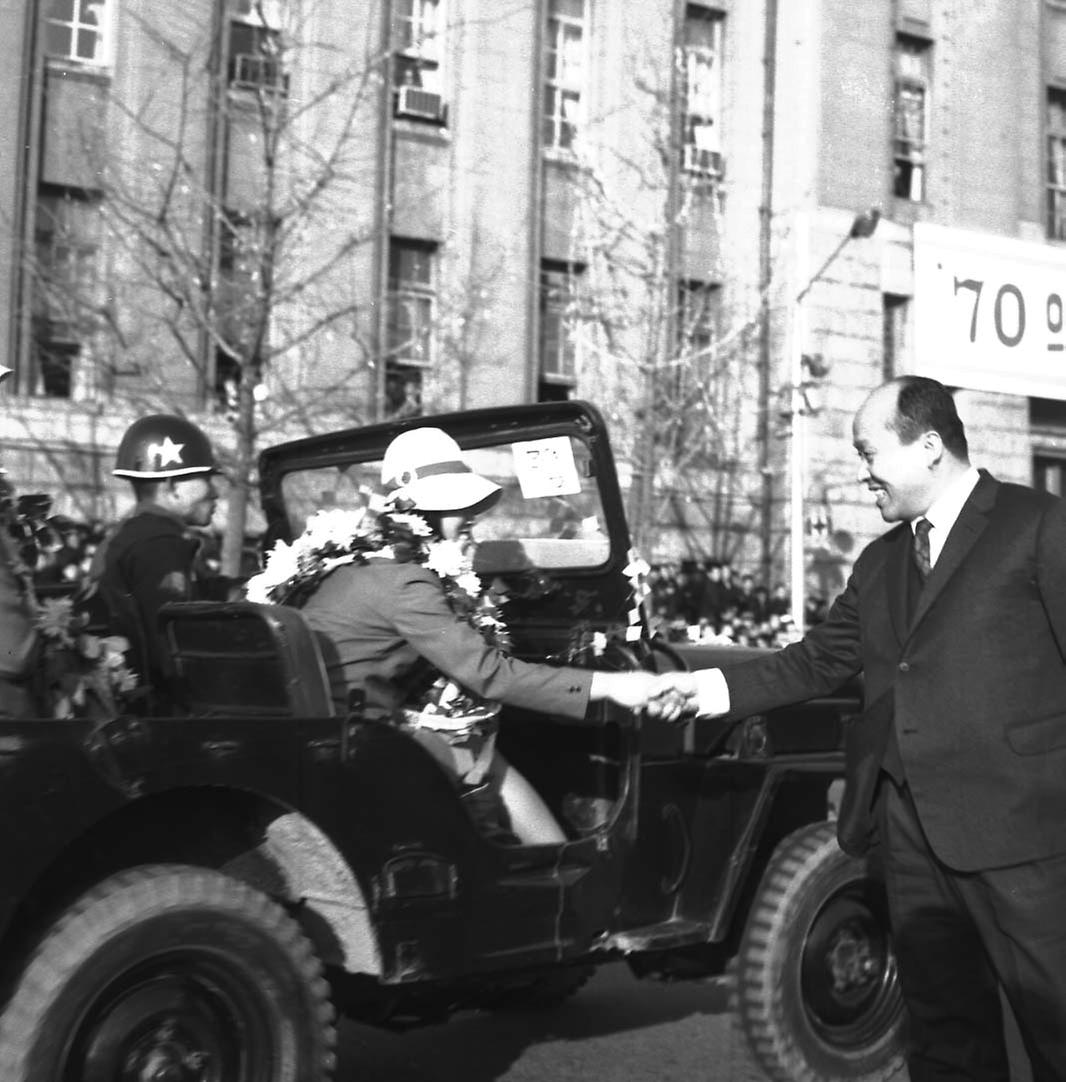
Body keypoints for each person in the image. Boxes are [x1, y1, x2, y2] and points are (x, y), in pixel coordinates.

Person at [667, 376, 1066, 1082]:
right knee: (944, 1038)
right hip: (910, 841)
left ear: (930, 447)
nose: (860, 472)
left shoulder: (1039, 526)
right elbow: (815, 662)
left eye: (869, 451)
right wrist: (698, 688)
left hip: (1026, 838)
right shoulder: (880, 561)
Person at [288, 427, 681, 846]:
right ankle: (553, 867)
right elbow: (490, 675)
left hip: (328, 730)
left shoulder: (359, 564)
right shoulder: (405, 581)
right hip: (356, 745)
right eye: (457, 504)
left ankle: (551, 860)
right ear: (418, 515)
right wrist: (615, 684)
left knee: (475, 747)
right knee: (475, 751)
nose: (472, 514)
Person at [82, 414, 221, 694]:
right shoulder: (160, 544)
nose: (215, 492)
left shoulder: (134, 533)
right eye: (205, 478)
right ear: (171, 487)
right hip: (155, 711)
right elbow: (171, 646)